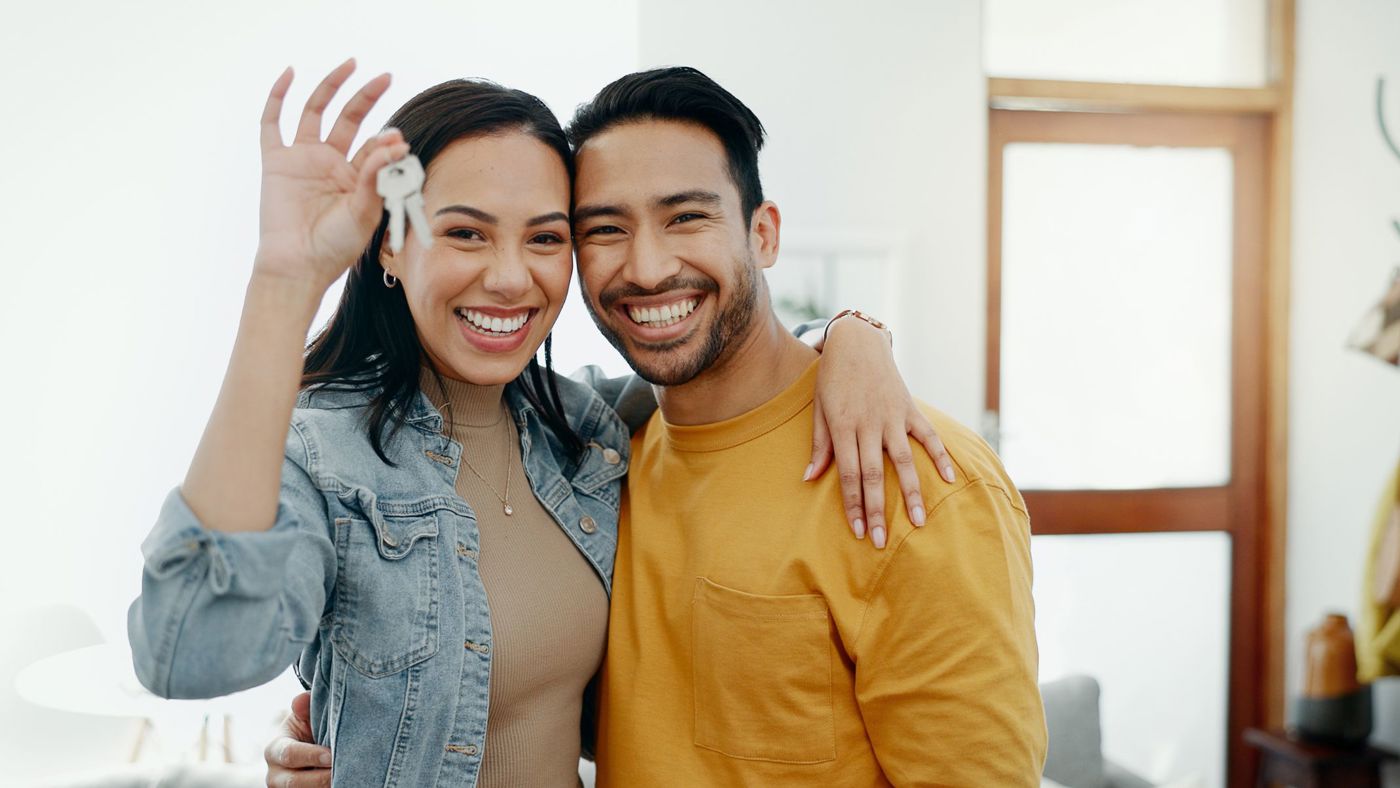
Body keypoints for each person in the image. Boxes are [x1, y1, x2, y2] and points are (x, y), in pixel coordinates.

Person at [130, 61, 947, 787]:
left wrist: (851, 338)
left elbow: (723, 371)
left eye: (547, 238)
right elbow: (190, 654)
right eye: (464, 233)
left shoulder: (586, 431)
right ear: (388, 246)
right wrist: (285, 280)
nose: (510, 278)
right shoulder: (324, 453)